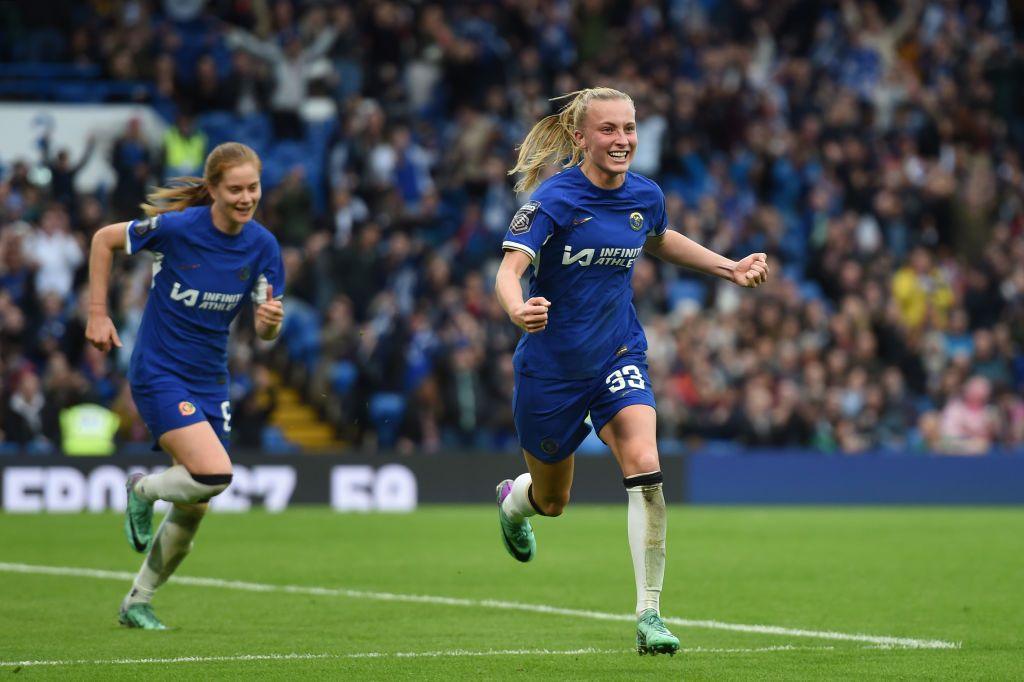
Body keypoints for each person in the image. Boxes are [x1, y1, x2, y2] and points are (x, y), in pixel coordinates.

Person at [494, 88, 769, 656]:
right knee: (553, 501)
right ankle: (514, 503)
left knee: (645, 464)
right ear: (581, 138)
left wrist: (728, 267)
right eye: (608, 130)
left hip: (619, 352)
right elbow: (509, 269)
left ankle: (650, 616)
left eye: (629, 129)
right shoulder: (554, 200)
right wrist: (517, 307)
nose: (622, 141)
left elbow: (660, 239)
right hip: (553, 368)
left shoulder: (645, 195)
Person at [85, 142, 285, 630]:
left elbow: (265, 331)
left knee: (196, 506)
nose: (245, 197)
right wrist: (97, 312)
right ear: (213, 189)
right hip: (159, 370)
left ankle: (137, 601)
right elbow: (103, 240)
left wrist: (270, 322)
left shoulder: (263, 246)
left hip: (210, 379)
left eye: (252, 188)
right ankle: (143, 488)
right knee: (216, 474)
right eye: (234, 189)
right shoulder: (177, 230)